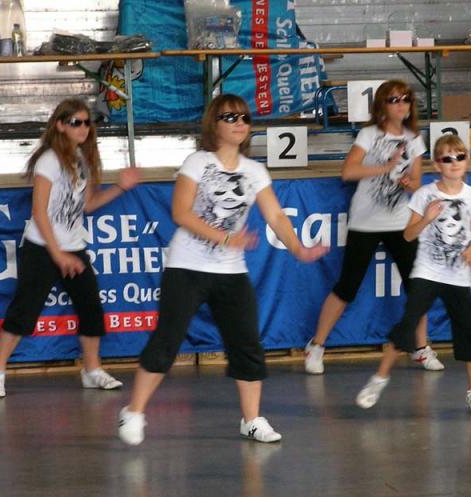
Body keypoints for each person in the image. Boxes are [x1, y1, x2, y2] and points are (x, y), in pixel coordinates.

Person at [117, 94, 327, 446]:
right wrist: (226, 237)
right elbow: (181, 212)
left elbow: (276, 216)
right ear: (214, 125)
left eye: (244, 117)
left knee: (246, 342)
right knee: (168, 339)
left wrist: (298, 249)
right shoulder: (198, 162)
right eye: (230, 117)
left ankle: (252, 419)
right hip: (187, 266)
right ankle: (134, 411)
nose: (239, 123)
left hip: (231, 272)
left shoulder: (254, 171)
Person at [0, 98, 139, 398]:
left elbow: (88, 205)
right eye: (76, 123)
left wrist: (120, 187)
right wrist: (57, 253)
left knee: (91, 309)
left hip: (73, 246)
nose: (83, 128)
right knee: (24, 311)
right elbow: (39, 211)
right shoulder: (49, 161)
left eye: (87, 123)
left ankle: (92, 370)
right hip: (42, 246)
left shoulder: (81, 160)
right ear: (60, 125)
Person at [304, 80, 444, 374]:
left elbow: (417, 183)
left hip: (400, 222)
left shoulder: (414, 139)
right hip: (365, 222)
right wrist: (385, 167)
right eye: (394, 99)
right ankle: (316, 346)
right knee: (347, 287)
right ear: (382, 105)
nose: (401, 104)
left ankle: (421, 348)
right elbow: (348, 171)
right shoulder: (369, 134)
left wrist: (407, 182)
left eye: (405, 99)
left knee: (417, 285)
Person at [355, 134, 471, 414]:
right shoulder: (424, 194)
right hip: (427, 272)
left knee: (469, 331)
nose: (454, 163)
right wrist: (427, 218)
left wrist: (470, 252)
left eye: (460, 157)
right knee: (408, 324)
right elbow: (408, 235)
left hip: (457, 277)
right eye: (447, 159)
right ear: (437, 165)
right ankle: (379, 379)